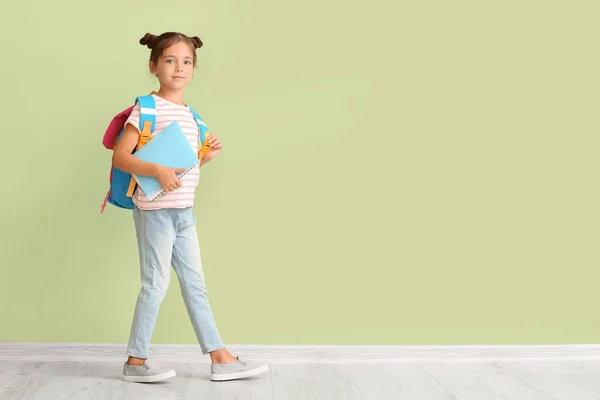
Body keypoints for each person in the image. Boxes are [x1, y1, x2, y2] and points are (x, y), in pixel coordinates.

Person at [112, 31, 269, 383]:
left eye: (186, 62)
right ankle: (135, 363)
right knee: (155, 284)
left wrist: (207, 156)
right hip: (154, 212)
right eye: (170, 60)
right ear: (153, 66)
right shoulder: (147, 108)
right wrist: (154, 170)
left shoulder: (192, 115)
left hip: (184, 213)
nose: (179, 68)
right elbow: (122, 156)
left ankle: (220, 357)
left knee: (195, 285)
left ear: (194, 69)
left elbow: (183, 168)